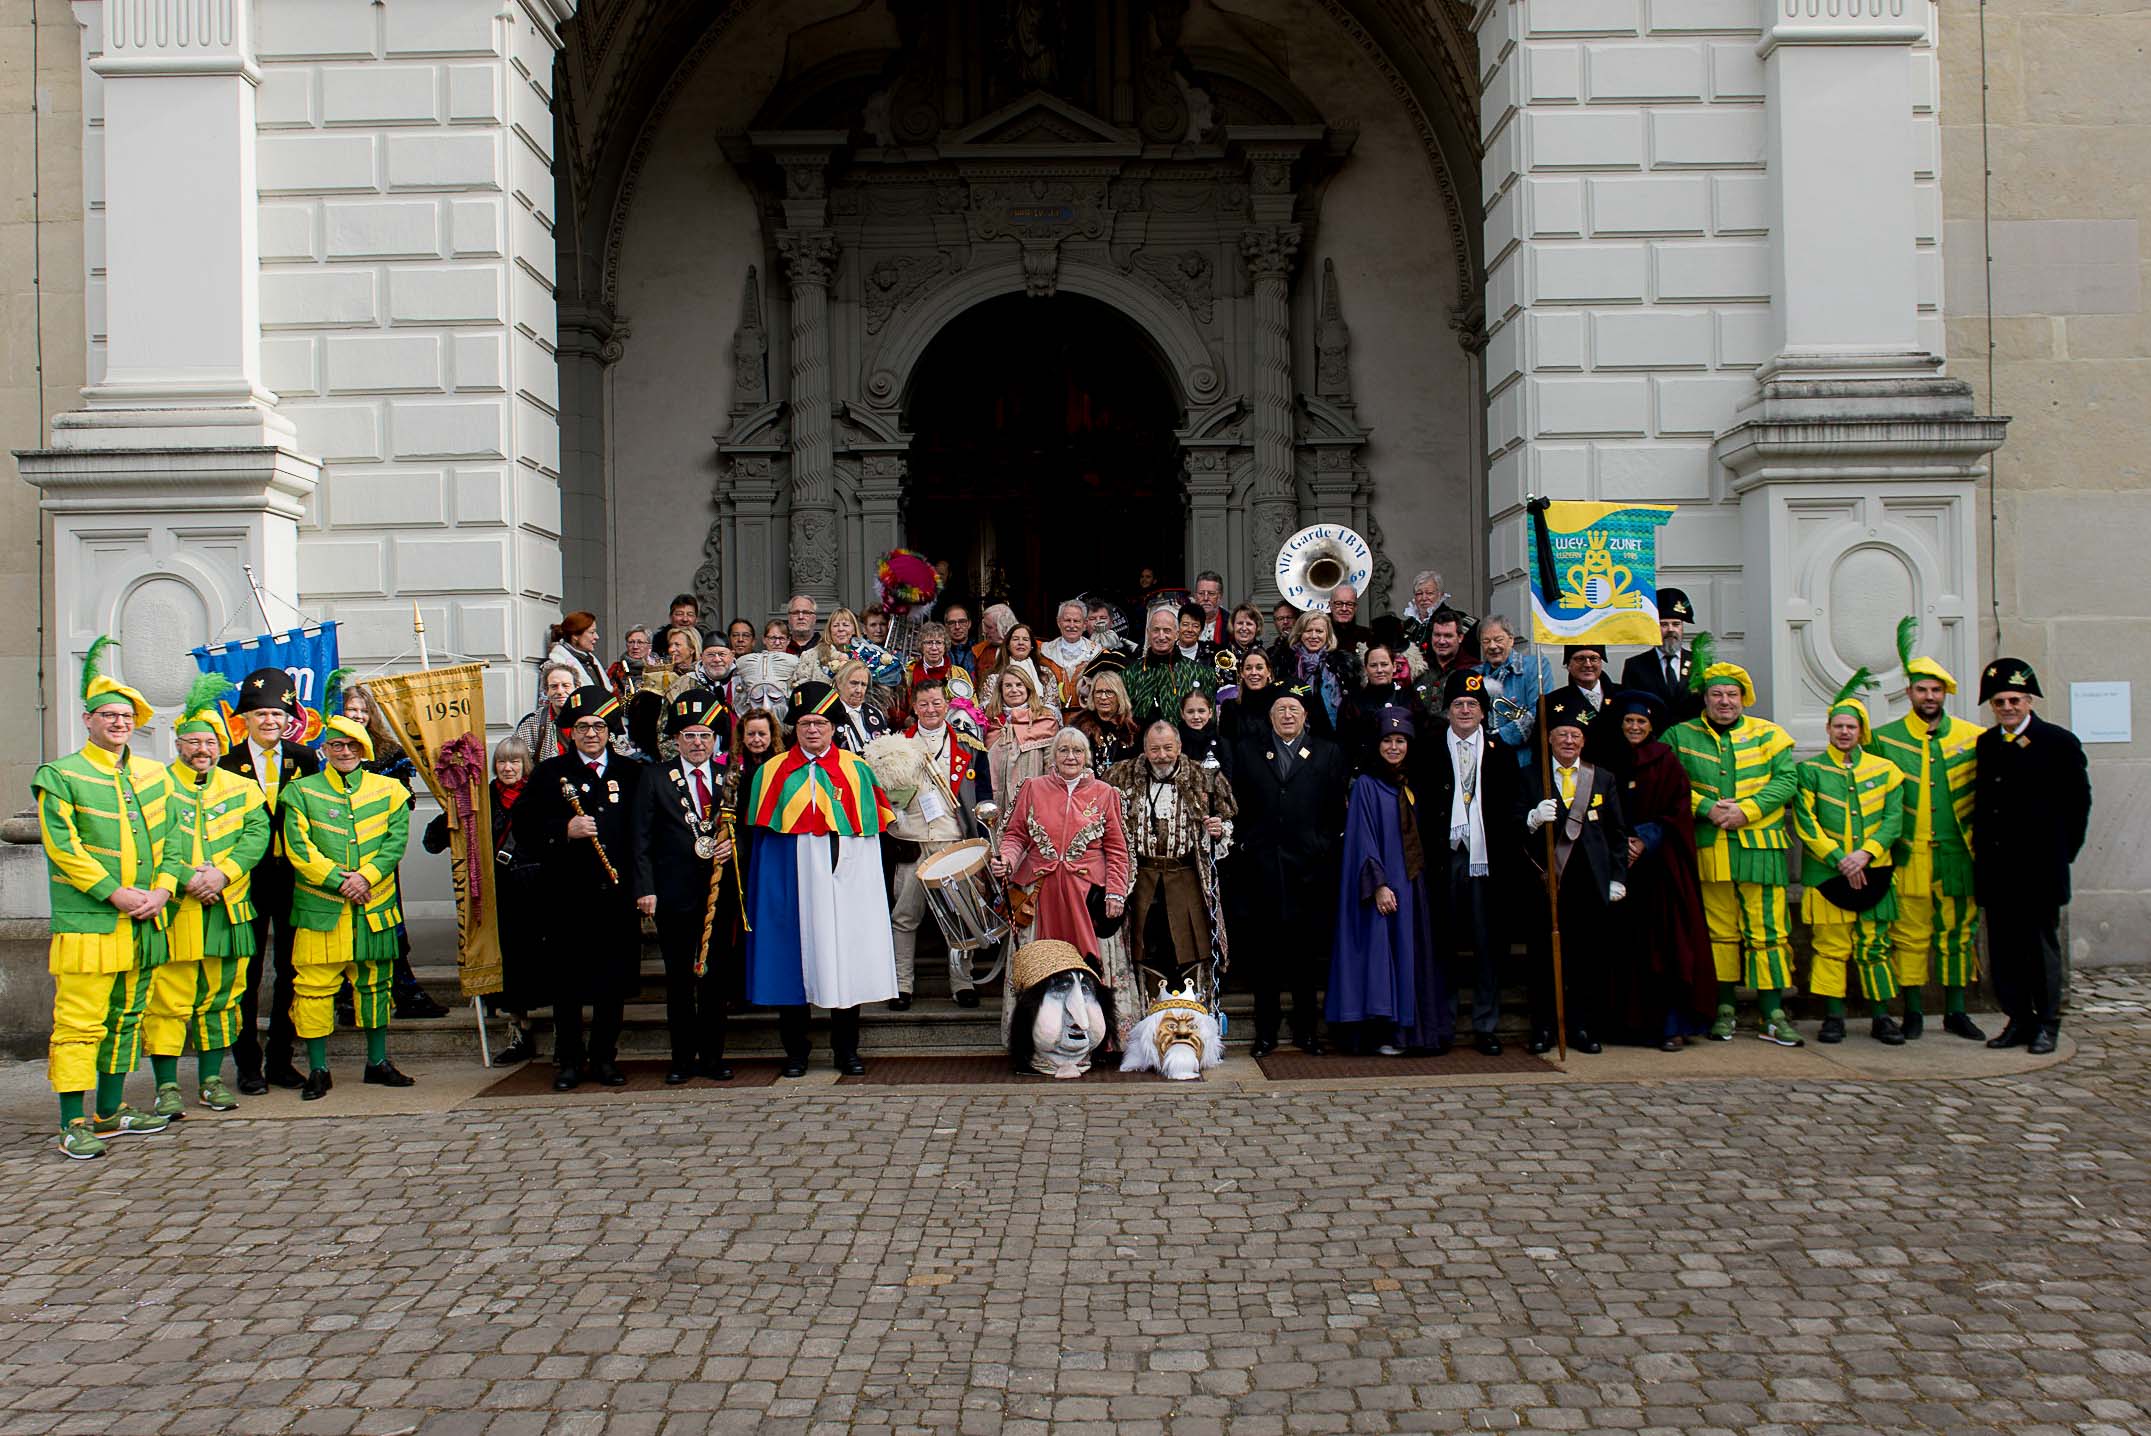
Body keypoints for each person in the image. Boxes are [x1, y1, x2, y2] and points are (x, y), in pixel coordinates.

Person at [35, 639, 179, 1157]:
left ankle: (110, 1110)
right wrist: (115, 893)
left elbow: (175, 841)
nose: (119, 723)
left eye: (127, 715)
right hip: (90, 924)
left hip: (146, 922)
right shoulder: (61, 774)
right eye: (109, 715)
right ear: (87, 719)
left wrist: (163, 889)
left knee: (126, 1018)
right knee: (80, 1022)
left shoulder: (154, 774)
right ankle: (73, 1121)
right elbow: (63, 849)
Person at [741, 681, 900, 1077]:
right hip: (792, 881)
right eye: (805, 723)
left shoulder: (857, 770)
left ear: (834, 727)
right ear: (794, 727)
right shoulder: (772, 771)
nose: (813, 730)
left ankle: (846, 1050)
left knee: (844, 959)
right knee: (792, 962)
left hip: (844, 881)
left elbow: (871, 835)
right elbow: (762, 842)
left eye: (821, 723)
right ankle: (796, 1052)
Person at [1666, 647, 1803, 1046]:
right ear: (1705, 698)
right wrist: (1707, 808)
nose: (1725, 702)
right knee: (1718, 932)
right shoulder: (1680, 735)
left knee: (1768, 931)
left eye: (1732, 695)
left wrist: (1748, 809)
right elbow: (1672, 784)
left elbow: (1786, 780)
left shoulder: (1771, 735)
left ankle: (1773, 1011)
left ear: (1744, 698)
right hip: (1710, 848)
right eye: (1717, 695)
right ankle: (1723, 1007)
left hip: (1760, 847)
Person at [281, 700, 415, 1099]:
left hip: (374, 906)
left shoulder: (390, 791)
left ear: (365, 750)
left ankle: (377, 1062)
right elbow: (299, 849)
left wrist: (367, 877)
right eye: (336, 745)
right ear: (324, 748)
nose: (344, 751)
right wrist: (341, 881)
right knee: (313, 987)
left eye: (352, 746)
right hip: (321, 908)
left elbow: (394, 844)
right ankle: (318, 1068)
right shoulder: (299, 792)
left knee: (375, 984)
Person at [151, 674, 272, 1115]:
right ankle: (166, 1086)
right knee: (169, 999)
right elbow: (149, 840)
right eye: (193, 742)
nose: (202, 750)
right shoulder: (155, 785)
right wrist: (188, 878)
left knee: (221, 999)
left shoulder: (241, 788)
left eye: (210, 742)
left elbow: (256, 836)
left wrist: (222, 875)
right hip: (178, 910)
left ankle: (210, 1081)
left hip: (227, 908)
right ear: (178, 743)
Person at [516, 685, 642, 1090]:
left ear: (610, 731)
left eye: (599, 726)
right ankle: (568, 1060)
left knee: (612, 985)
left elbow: (643, 836)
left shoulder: (631, 772)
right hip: (566, 897)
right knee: (567, 987)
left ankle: (605, 1057)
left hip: (616, 897)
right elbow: (525, 829)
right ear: (571, 732)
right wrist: (562, 831)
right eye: (583, 727)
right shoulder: (550, 774)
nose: (591, 734)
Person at [1867, 621, 1985, 1040]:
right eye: (1922, 689)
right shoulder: (1884, 739)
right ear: (1910, 692)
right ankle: (1913, 1008)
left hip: (1958, 852)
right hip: (1908, 852)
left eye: (1935, 690)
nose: (1929, 697)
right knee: (1910, 932)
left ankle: (1956, 1009)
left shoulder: (1975, 738)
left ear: (1945, 694)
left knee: (1958, 932)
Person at [1222, 685, 1348, 1057]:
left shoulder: (1327, 752)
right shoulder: (1249, 752)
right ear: (1271, 716)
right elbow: (1237, 804)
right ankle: (1265, 1033)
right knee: (1266, 958)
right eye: (1281, 709)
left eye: (1294, 709)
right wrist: (1247, 843)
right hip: (1262, 868)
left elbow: (1336, 810)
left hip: (1309, 870)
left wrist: (1321, 845)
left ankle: (1307, 1032)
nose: (1288, 715)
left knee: (1304, 957)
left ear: (1306, 715)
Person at [1974, 659, 2091, 1055]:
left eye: (2014, 700)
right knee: (2005, 952)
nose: (2007, 707)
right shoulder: (1988, 744)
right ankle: (2018, 1018)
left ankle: (2047, 1022)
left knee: (2040, 950)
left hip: (2040, 869)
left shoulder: (2058, 742)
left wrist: (2061, 854)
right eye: (1999, 701)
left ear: (2028, 701)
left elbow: (2078, 806)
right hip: (1998, 869)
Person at [1793, 673, 1907, 1045]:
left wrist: (1865, 855)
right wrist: (1840, 858)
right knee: (1829, 946)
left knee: (1875, 946)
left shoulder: (1886, 771)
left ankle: (1881, 1015)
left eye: (1851, 727)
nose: (1844, 732)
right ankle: (1833, 1015)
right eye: (1838, 726)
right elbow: (1805, 823)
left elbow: (1893, 820)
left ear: (1862, 731)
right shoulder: (1809, 771)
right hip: (1827, 875)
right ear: (1828, 728)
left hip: (1874, 870)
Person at [222, 664, 320, 1094]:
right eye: (260, 714)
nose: (269, 721)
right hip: (245, 878)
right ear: (246, 718)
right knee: (247, 970)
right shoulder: (228, 764)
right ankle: (247, 1063)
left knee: (291, 970)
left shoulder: (305, 759)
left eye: (277, 715)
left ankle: (282, 1058)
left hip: (294, 877)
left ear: (289, 720)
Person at [1328, 709, 1450, 1057]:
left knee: (1411, 953)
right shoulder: (1367, 784)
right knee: (1383, 955)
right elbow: (1363, 839)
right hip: (1384, 887)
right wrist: (1378, 883)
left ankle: (1411, 1032)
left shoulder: (1413, 784)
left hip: (1414, 885)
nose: (1394, 747)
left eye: (1400, 741)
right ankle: (1382, 1030)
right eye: (1387, 741)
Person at [632, 689, 738, 1084]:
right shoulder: (655, 777)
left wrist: (734, 846)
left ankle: (713, 1057)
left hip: (718, 894)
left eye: (705, 737)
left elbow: (745, 830)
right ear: (676, 740)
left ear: (715, 741)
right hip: (673, 894)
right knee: (678, 981)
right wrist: (645, 889)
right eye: (690, 736)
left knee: (715, 980)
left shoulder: (729, 778)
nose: (698, 744)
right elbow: (640, 839)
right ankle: (682, 1060)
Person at [1603, 691, 1716, 1049]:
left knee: (1663, 948)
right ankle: (1626, 1025)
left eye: (1641, 722)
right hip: (1617, 868)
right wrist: (1621, 845)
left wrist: (1644, 840)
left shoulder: (1667, 763)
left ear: (1651, 727)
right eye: (1629, 722)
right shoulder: (1608, 761)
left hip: (1659, 869)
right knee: (1622, 949)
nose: (1634, 728)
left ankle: (1669, 1026)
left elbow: (1678, 811)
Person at [1519, 697, 1631, 1055]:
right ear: (1549, 739)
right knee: (1542, 959)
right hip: (1546, 882)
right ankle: (1544, 1027)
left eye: (1575, 736)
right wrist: (1532, 819)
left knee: (1586, 959)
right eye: (1561, 734)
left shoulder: (1602, 779)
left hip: (1588, 883)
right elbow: (1509, 826)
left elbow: (1617, 835)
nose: (1568, 741)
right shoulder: (1530, 777)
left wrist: (1618, 878)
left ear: (1583, 742)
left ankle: (1580, 1026)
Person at [425, 736, 546, 1063]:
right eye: (502, 762)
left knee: (541, 964)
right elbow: (436, 838)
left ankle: (562, 1035)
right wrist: (450, 814)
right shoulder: (479, 797)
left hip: (537, 892)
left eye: (515, 762)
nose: (508, 768)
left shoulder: (540, 796)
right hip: (498, 895)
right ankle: (518, 1030)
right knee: (509, 965)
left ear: (525, 765)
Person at [1421, 670, 1517, 1055]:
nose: (1464, 711)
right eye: (1458, 704)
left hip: (1484, 863)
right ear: (1448, 710)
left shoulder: (1501, 755)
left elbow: (1509, 810)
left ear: (1482, 713)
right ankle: (1442, 1023)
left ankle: (1485, 1023)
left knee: (1485, 943)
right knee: (1442, 944)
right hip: (1444, 860)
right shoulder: (1428, 750)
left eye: (1472, 705)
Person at [339, 679, 447, 1021]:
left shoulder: (388, 752)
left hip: (378, 854)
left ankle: (402, 992)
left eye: (362, 710)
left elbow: (404, 804)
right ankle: (346, 998)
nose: (357, 716)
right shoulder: (330, 750)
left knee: (387, 924)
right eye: (350, 710)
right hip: (339, 858)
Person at [1106, 721, 1235, 996]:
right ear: (1144, 749)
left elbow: (1225, 820)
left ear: (1179, 747)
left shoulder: (1203, 776)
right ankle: (1147, 1012)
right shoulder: (1120, 776)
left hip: (1185, 875)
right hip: (1140, 879)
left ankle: (1193, 1011)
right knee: (1142, 948)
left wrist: (1217, 829)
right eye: (1155, 749)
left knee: (1191, 946)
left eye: (1167, 748)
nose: (1162, 755)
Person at [992, 728, 1132, 970]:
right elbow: (1015, 835)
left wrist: (1115, 892)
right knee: (1040, 963)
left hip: (1086, 893)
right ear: (1053, 756)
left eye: (1077, 750)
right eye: (1063, 750)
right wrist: (1007, 859)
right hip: (1038, 889)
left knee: (1087, 964)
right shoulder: (1032, 788)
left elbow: (1118, 850)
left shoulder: (1105, 793)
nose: (1070, 756)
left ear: (1086, 756)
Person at [887, 678, 981, 1010]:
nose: (931, 709)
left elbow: (979, 794)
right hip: (911, 841)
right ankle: (902, 985)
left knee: (960, 915)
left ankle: (963, 982)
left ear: (947, 705)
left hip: (952, 841)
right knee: (904, 916)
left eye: (937, 703)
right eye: (924, 704)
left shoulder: (967, 746)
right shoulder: (896, 745)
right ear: (914, 707)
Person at [1475, 616, 1555, 766]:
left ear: (1511, 640)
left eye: (1498, 639)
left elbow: (1540, 710)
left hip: (1524, 763)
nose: (1492, 646)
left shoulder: (1535, 666)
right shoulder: (1474, 675)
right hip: (1485, 763)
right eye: (1486, 641)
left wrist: (1500, 737)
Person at [1617, 588, 1703, 724]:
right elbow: (1631, 709)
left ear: (1682, 627)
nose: (1670, 630)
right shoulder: (1636, 665)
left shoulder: (1700, 662)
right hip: (1654, 739)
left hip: (1691, 739)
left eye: (1676, 624)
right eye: (1663, 624)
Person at [1125, 605, 1214, 726]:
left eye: (1167, 631)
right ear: (1148, 633)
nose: (1161, 636)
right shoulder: (1130, 674)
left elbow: (1209, 722)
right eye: (1156, 630)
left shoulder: (1201, 673)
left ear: (1177, 634)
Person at [1270, 610, 1350, 736]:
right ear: (1300, 633)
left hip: (1332, 736)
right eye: (1308, 631)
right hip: (1295, 735)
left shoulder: (1341, 665)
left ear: (1327, 635)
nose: (1313, 636)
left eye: (1319, 631)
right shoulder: (1285, 663)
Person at [985, 666, 1060, 798]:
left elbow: (1052, 768)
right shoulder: (990, 722)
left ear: (1028, 688)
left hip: (1033, 800)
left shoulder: (1044, 720)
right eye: (1008, 686)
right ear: (1001, 691)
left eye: (1019, 685)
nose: (1014, 690)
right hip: (995, 804)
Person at [1070, 665, 1139, 775]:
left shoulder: (1134, 727)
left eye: (1109, 692)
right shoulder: (1078, 727)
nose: (1103, 697)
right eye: (1098, 692)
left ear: (1119, 695)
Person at [1038, 598, 1100, 710]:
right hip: (1052, 717)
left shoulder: (1098, 654)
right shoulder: (1043, 652)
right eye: (1067, 620)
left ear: (1085, 624)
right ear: (1058, 622)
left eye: (1076, 621)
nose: (1072, 625)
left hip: (1086, 717)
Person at [514, 661, 579, 768]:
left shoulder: (592, 720)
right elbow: (518, 762)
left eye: (566, 686)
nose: (560, 691)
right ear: (546, 691)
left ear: (576, 688)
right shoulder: (532, 723)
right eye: (554, 686)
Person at [543, 611, 610, 701]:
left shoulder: (590, 662)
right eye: (592, 632)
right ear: (575, 635)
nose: (596, 637)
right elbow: (548, 703)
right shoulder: (554, 665)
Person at [828, 659, 889, 754]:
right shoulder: (828, 713)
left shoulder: (876, 714)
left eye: (863, 685)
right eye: (854, 683)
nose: (859, 690)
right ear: (839, 683)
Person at [1216, 647, 1275, 742]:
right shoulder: (1229, 707)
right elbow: (1226, 745)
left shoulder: (1278, 706)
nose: (1254, 672)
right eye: (1248, 668)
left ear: (1268, 671)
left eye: (1259, 668)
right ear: (1241, 673)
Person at [1001, 622, 1049, 708]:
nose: (1020, 643)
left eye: (1025, 639)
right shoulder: (995, 675)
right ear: (1007, 645)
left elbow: (1053, 706)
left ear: (1032, 646)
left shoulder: (1045, 673)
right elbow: (990, 708)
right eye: (1015, 639)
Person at [1177, 689, 1222, 768]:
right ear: (1182, 714)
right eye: (1190, 712)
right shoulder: (1175, 740)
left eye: (1201, 711)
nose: (1196, 717)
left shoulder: (1220, 739)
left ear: (1210, 713)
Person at [606, 626, 654, 696]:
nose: (635, 647)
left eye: (640, 642)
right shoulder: (616, 669)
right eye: (631, 642)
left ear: (649, 646)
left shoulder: (657, 668)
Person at [1327, 584, 1374, 654]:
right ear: (1330, 605)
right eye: (1339, 604)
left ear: (1355, 607)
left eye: (1349, 604)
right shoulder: (1321, 635)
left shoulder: (1367, 636)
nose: (1344, 608)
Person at [1191, 571, 1227, 647]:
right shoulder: (1185, 621)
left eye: (1211, 593)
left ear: (1220, 596)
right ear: (1195, 596)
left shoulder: (1230, 623)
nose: (1205, 598)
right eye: (1201, 593)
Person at [943, 602, 979, 677]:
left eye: (962, 621)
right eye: (952, 622)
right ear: (946, 626)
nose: (957, 627)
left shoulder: (979, 651)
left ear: (969, 624)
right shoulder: (939, 652)